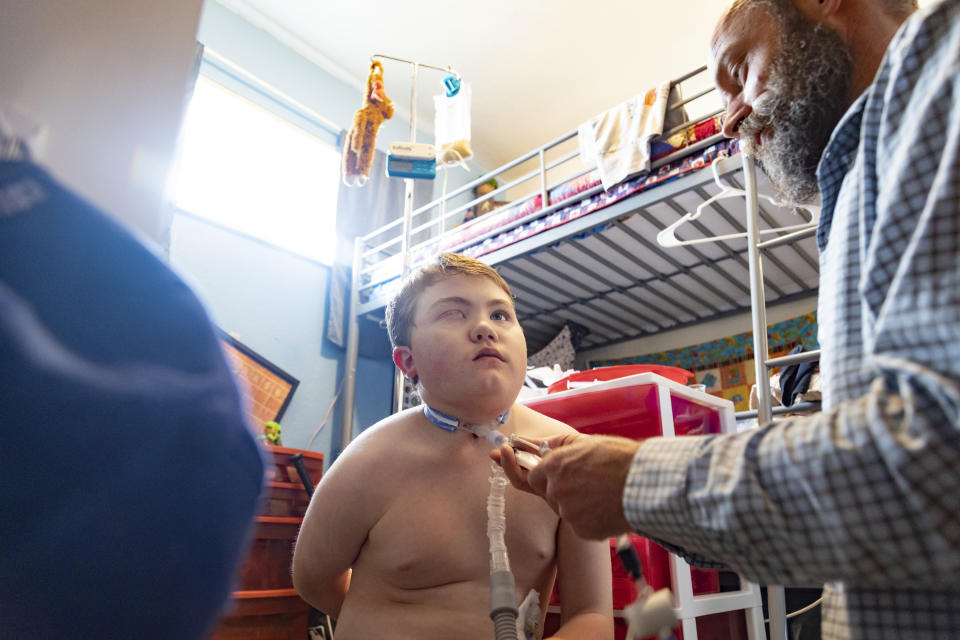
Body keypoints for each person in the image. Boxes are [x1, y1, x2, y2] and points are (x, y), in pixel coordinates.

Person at [495, 0, 960, 638]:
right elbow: (869, 516)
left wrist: (637, 481)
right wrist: (636, 487)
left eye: (740, 71)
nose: (728, 121)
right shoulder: (856, 184)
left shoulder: (945, 72)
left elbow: (931, 467)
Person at [292, 253, 613, 639]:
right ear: (408, 361)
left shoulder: (565, 456)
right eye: (452, 314)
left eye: (500, 315)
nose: (484, 328)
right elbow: (313, 578)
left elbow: (592, 615)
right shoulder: (369, 460)